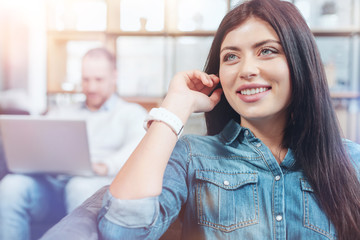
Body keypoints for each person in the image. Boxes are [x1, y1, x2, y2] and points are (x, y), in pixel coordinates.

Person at [97, 0, 360, 239]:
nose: (246, 70)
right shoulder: (192, 157)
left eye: (267, 51)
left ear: (300, 62)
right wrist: (176, 105)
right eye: (231, 57)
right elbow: (121, 230)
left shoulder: (352, 161)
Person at [0, 48, 147, 240]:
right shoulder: (62, 112)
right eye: (86, 80)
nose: (91, 87)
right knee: (11, 185)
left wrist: (104, 166)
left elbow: (140, 149)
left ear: (114, 76)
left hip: (93, 188)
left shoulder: (131, 114)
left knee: (79, 186)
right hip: (53, 188)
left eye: (98, 80)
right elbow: (39, 144)